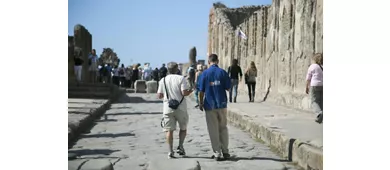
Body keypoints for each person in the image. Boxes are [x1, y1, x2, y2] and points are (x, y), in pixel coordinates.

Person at [198, 54, 231, 161]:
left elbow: (201, 91)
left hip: (209, 105)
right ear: (217, 60)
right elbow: (228, 88)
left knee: (213, 130)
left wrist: (200, 103)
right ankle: (225, 151)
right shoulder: (222, 72)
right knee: (223, 128)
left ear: (209, 62)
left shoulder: (204, 74)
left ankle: (217, 152)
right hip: (222, 104)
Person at [157, 62, 193, 159]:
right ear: (177, 69)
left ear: (168, 70)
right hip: (180, 107)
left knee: (169, 130)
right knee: (183, 128)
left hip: (168, 108)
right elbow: (184, 93)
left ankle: (170, 151)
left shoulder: (162, 80)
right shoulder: (181, 78)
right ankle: (180, 146)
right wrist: (190, 91)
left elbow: (159, 95)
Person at [305, 53, 323, 124]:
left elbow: (308, 78)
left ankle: (319, 113)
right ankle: (320, 117)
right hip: (322, 85)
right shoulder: (322, 67)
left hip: (314, 85)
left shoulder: (312, 66)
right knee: (321, 101)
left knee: (314, 101)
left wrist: (306, 87)